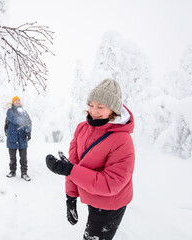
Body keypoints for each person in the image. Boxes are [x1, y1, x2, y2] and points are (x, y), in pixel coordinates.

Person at [46, 79, 135, 240]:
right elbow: (73, 164)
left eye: (100, 107)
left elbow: (111, 183)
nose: (94, 111)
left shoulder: (122, 140)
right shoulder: (82, 128)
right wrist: (71, 196)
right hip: (92, 196)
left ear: (113, 110)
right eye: (91, 105)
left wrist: (69, 170)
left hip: (110, 204)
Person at [5, 96, 32, 181]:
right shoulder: (10, 111)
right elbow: (14, 119)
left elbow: (29, 122)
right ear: (13, 102)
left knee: (24, 158)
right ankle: (12, 171)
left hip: (22, 138)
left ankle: (24, 173)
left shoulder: (24, 112)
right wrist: (23, 121)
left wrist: (28, 131)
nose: (17, 102)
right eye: (16, 100)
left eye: (18, 100)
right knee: (12, 157)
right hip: (12, 138)